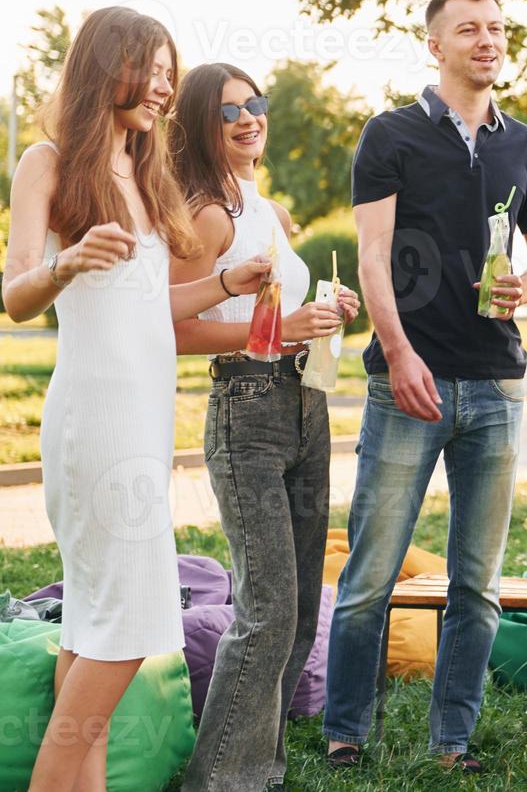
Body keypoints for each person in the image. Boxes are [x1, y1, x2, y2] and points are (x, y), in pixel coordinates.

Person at [3, 6, 270, 792]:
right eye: (146, 69)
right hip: (94, 424)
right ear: (100, 67)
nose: (160, 88)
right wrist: (68, 262)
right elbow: (16, 292)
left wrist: (228, 283)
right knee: (122, 636)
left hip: (147, 426)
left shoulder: (146, 175)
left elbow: (150, 311)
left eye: (167, 72)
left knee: (93, 633)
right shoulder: (47, 162)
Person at [323, 0, 527, 771]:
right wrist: (398, 352)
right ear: (436, 45)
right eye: (469, 29)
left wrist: (525, 282)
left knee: (477, 583)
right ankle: (347, 730)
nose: (487, 40)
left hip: (496, 383)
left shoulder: (523, 144)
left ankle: (451, 740)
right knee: (369, 574)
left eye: (496, 28)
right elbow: (373, 256)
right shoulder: (390, 134)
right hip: (406, 384)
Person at [168, 63, 360, 791]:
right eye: (229, 112)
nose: (250, 118)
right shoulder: (210, 213)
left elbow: (279, 317)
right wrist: (276, 334)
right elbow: (173, 325)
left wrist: (322, 317)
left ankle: (261, 770)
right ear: (199, 126)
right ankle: (218, 780)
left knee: (302, 607)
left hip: (305, 404)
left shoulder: (270, 211)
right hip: (246, 408)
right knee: (268, 609)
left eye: (257, 104)